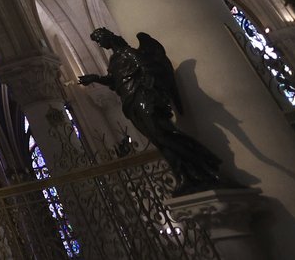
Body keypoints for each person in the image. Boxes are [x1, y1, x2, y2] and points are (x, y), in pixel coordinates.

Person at [79, 27, 226, 194]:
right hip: (131, 103)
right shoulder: (114, 60)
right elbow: (115, 81)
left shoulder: (128, 53)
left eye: (99, 40)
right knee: (159, 141)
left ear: (107, 37)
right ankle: (183, 176)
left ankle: (204, 165)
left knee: (164, 134)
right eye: (98, 42)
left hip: (144, 99)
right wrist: (95, 79)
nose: (100, 44)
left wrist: (154, 95)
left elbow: (149, 70)